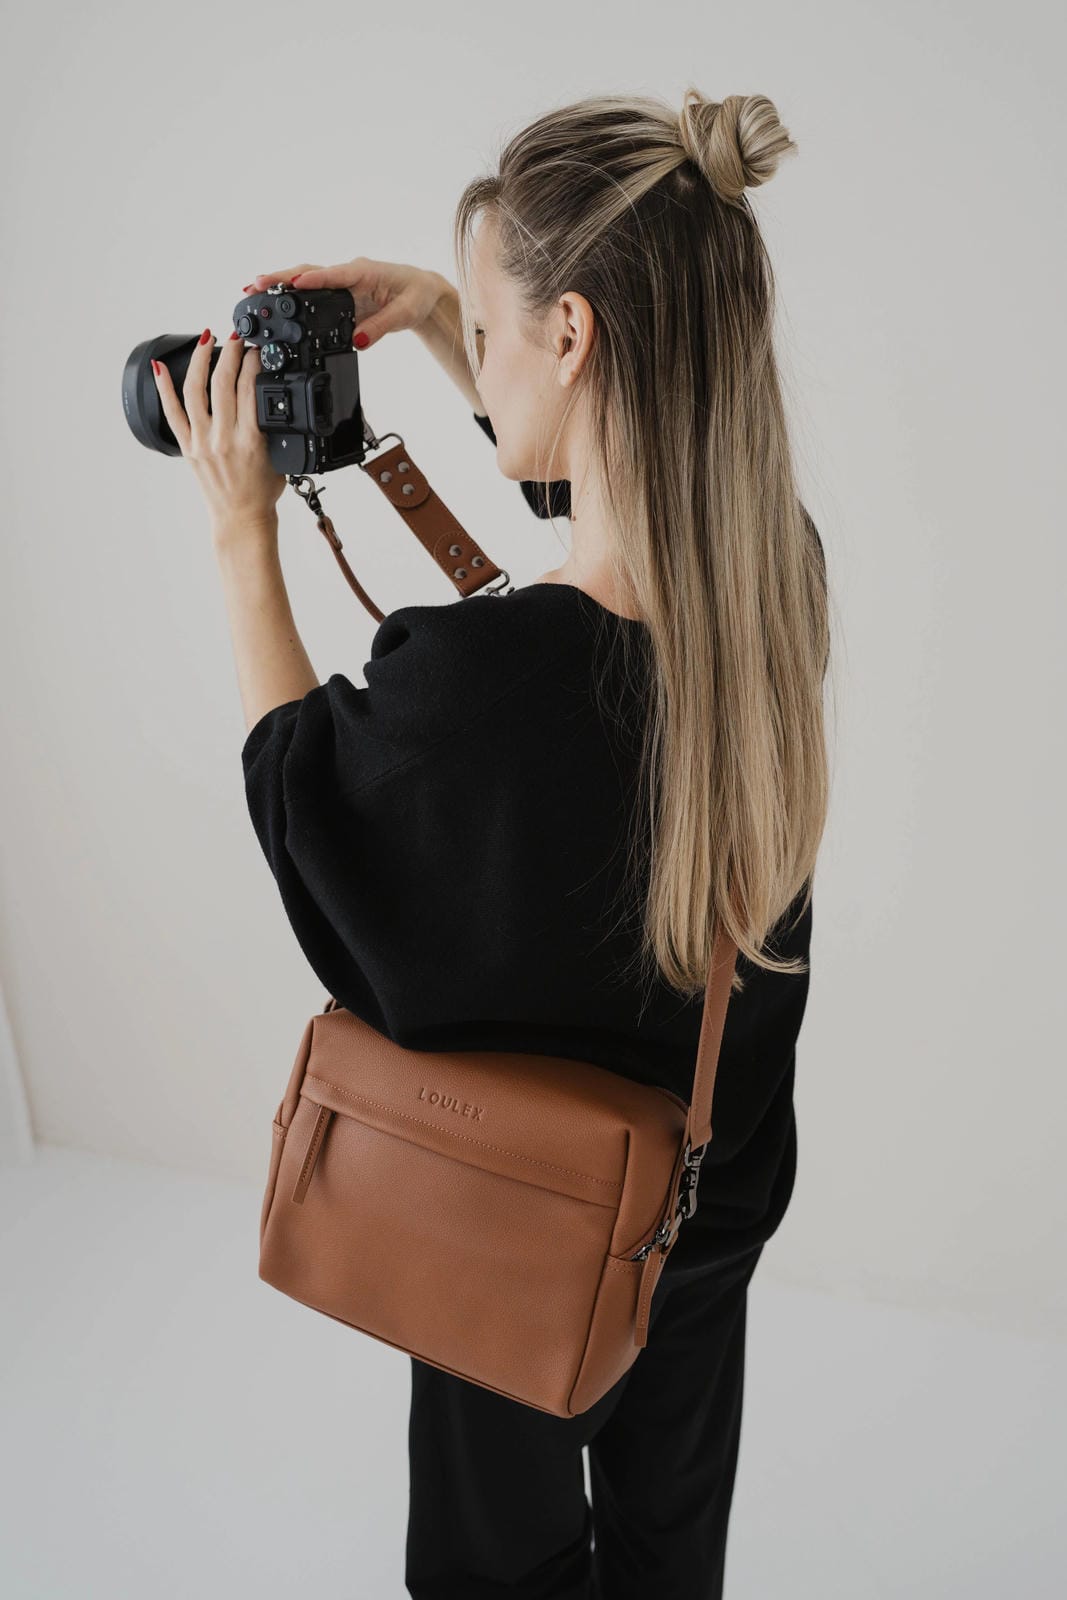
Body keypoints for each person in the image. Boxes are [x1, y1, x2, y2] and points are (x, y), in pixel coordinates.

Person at [158, 85, 831, 1600]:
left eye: (512, 338)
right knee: (670, 1542)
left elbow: (310, 808)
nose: (492, 366)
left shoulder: (480, 684)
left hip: (514, 1211)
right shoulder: (777, 581)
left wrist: (237, 536)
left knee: (496, 1561)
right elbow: (602, 473)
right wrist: (459, 313)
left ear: (578, 337)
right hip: (705, 1192)